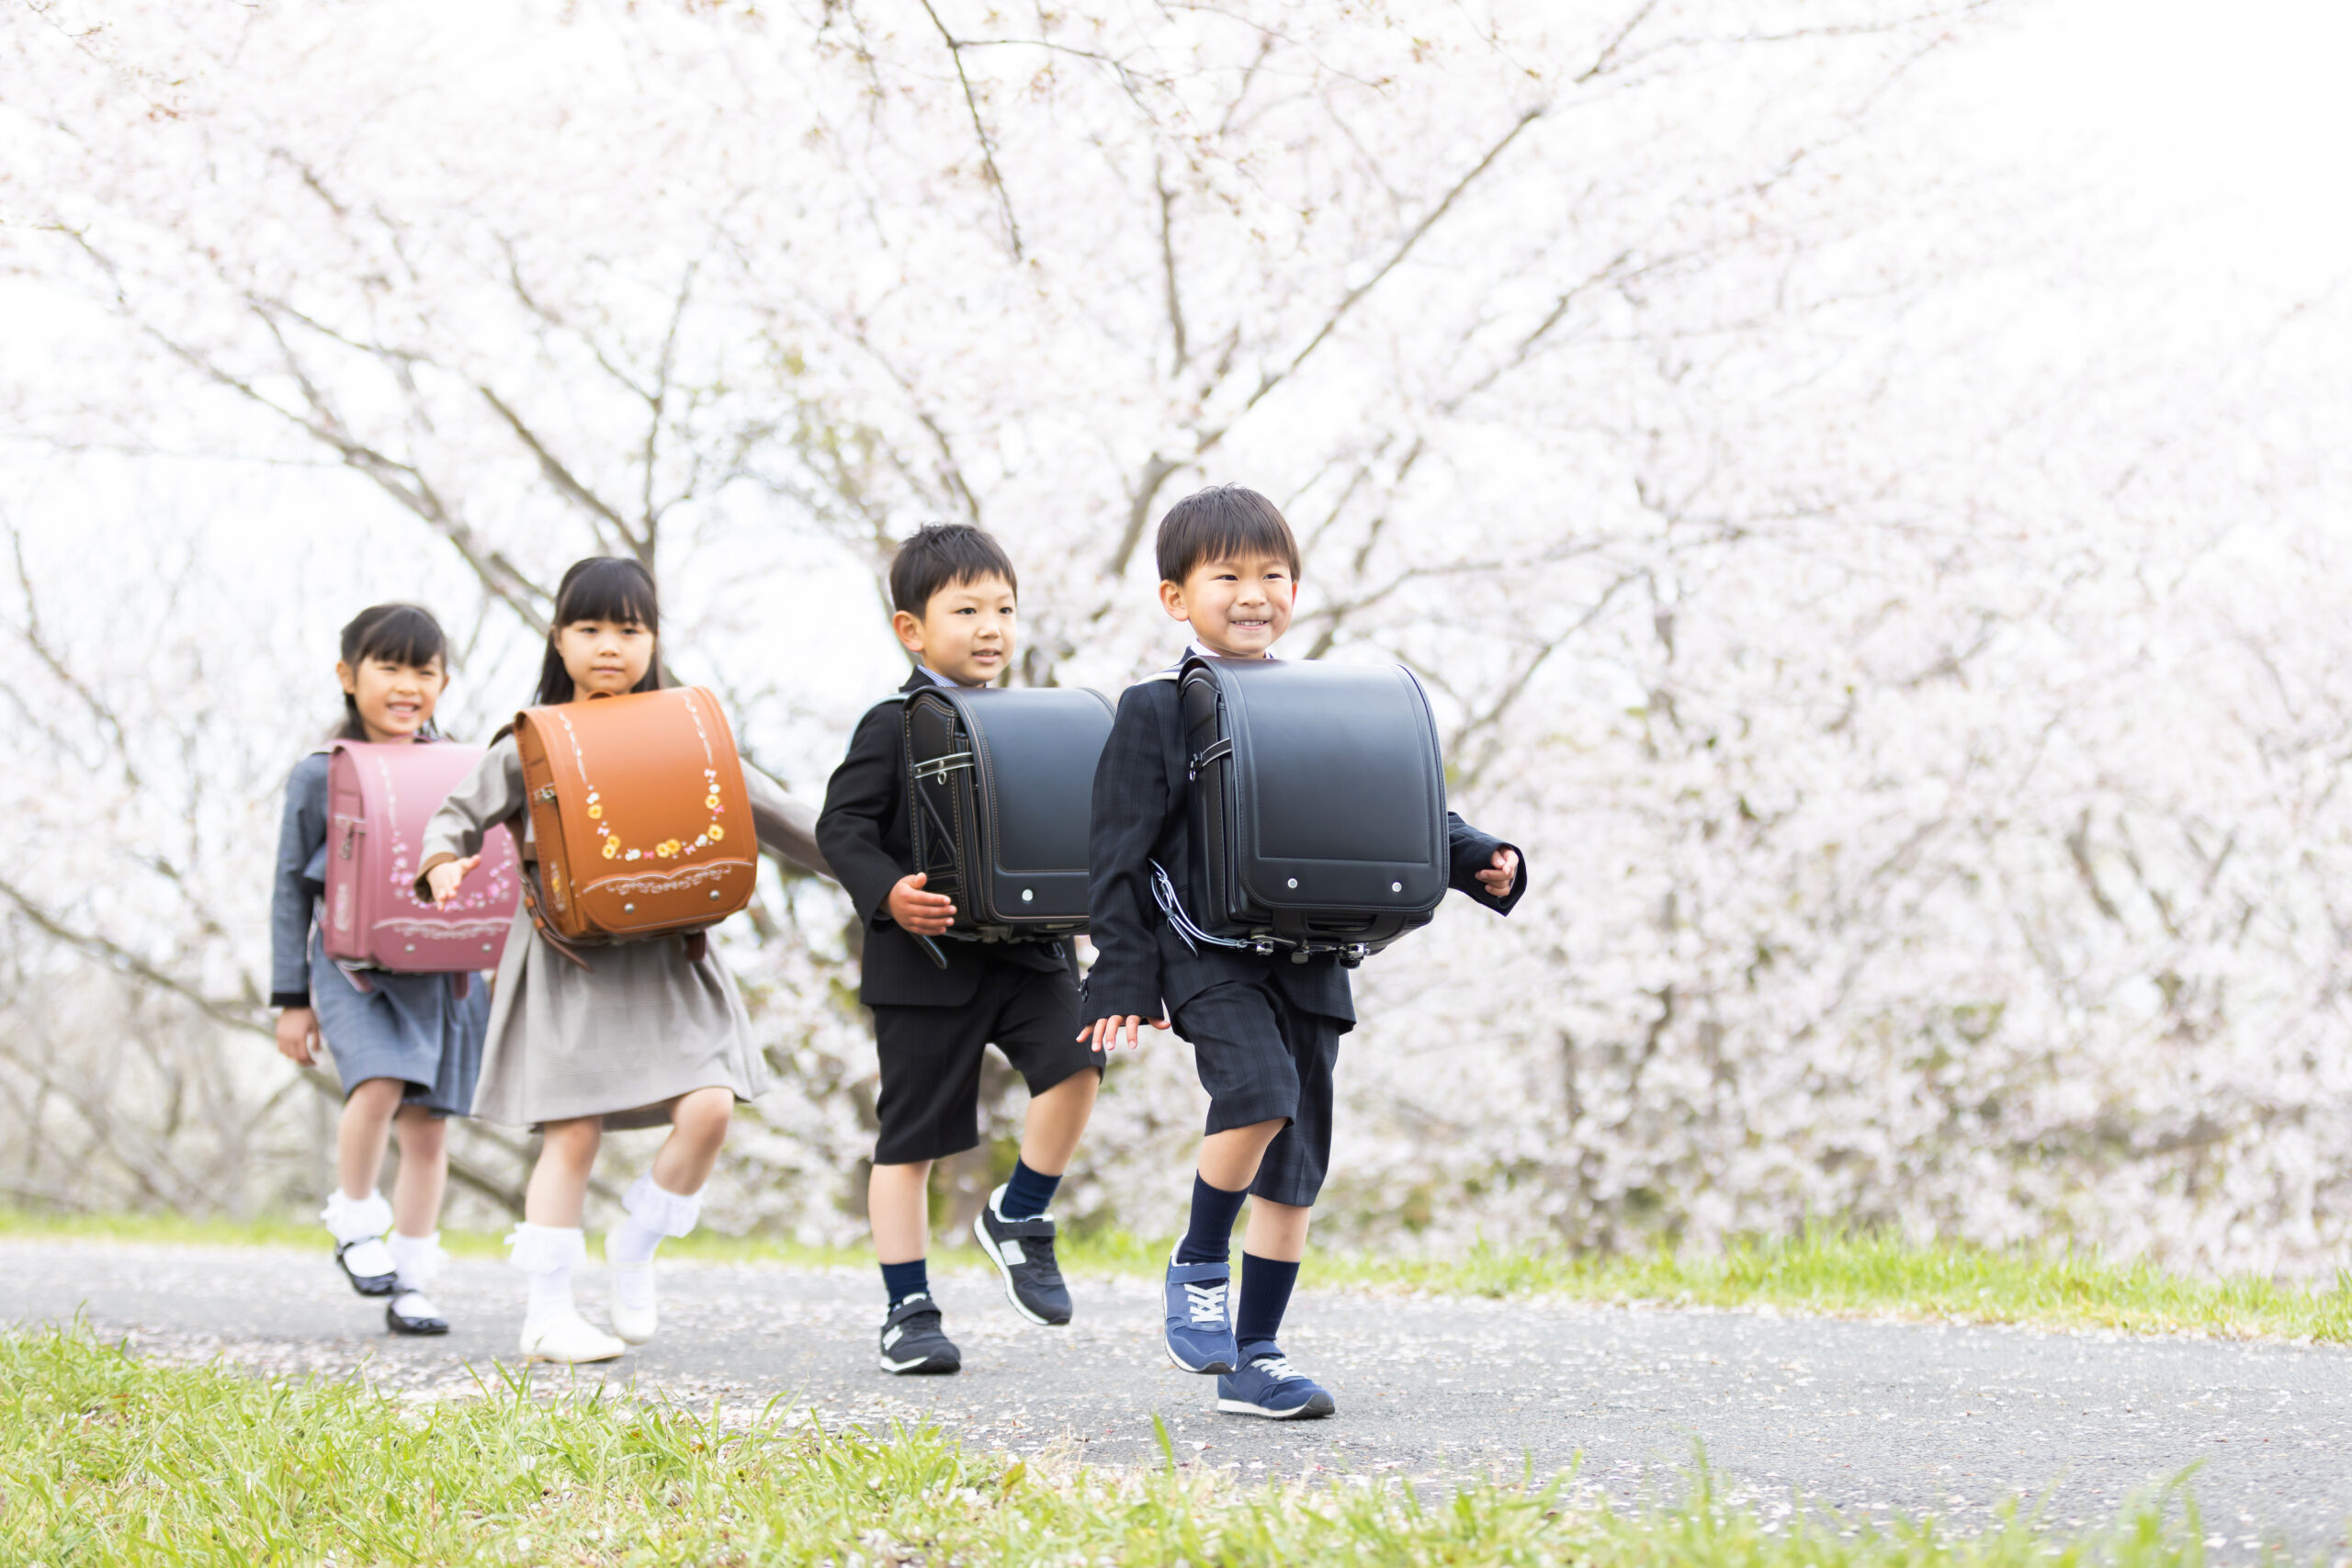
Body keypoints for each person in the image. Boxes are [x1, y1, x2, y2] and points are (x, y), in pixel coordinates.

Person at [1082, 486, 1526, 1419]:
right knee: (1258, 1094)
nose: (1254, 594)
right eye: (1227, 576)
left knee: (1297, 1160)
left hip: (1314, 956)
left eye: (1273, 575)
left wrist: (1474, 856)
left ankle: (1259, 1357)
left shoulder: (1317, 701)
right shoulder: (1155, 709)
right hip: (1206, 952)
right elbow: (1117, 852)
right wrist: (1120, 971)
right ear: (1176, 598)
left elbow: (1382, 803)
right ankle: (1199, 1258)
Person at [416, 558, 832, 1364]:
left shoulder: (685, 732)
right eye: (590, 628)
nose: (610, 645)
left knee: (710, 1106)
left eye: (629, 629)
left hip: (670, 959)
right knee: (571, 1134)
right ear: (558, 638)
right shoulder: (531, 741)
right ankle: (547, 1312)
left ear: (653, 639)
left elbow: (776, 814)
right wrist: (441, 862)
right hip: (570, 962)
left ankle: (637, 1242)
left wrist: (875, 873)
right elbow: (455, 815)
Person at [816, 524, 1112, 1376]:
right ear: (912, 628)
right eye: (968, 608)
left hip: (1030, 955)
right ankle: (908, 1306)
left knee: (1078, 1063)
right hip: (929, 965)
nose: (992, 626)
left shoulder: (1038, 720)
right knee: (910, 1139)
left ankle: (1020, 1213)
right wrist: (888, 891)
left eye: (1006, 608)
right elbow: (843, 825)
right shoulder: (896, 723)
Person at [270, 603, 489, 1337]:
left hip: (448, 972)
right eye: (388, 667)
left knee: (429, 1129)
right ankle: (356, 1218)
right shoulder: (320, 774)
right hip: (352, 966)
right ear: (347, 675)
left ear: (444, 682)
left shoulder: (464, 766)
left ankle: (414, 1278)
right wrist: (289, 999)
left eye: (422, 671)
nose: (406, 685)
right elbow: (289, 890)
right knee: (379, 1083)